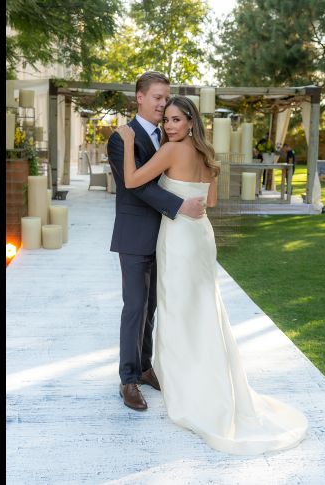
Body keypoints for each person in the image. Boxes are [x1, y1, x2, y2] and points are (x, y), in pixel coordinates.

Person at [115, 96, 309, 455]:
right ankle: (208, 375)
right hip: (202, 235)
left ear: (190, 121)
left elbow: (130, 180)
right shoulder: (206, 154)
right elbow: (213, 201)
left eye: (175, 120)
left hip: (179, 237)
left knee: (177, 309)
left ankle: (189, 385)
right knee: (204, 307)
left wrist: (128, 143)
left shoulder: (173, 151)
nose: (169, 127)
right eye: (166, 121)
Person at [107, 71, 206, 412]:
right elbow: (137, 186)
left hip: (166, 237)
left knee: (151, 308)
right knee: (134, 307)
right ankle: (128, 379)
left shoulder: (169, 138)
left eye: (166, 99)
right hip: (134, 237)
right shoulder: (122, 138)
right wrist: (180, 206)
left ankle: (146, 366)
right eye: (157, 98)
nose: (163, 104)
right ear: (139, 97)